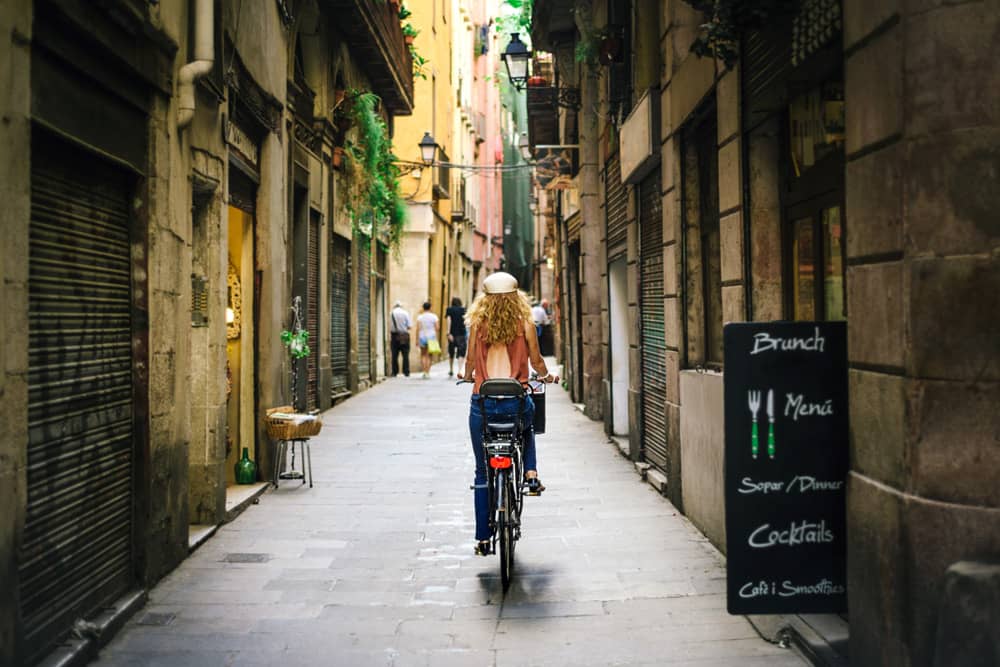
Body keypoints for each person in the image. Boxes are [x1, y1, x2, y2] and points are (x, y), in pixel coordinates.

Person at [459, 272, 559, 556]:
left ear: (485, 300)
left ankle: (482, 538)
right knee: (527, 424)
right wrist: (547, 375)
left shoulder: (478, 324)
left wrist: (467, 375)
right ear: (517, 298)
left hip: (483, 403)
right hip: (515, 400)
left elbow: (468, 361)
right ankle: (529, 472)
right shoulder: (525, 323)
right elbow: (537, 361)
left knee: (481, 472)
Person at [416, 301, 439, 379]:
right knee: (429, 355)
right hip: (431, 337)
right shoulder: (434, 317)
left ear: (423, 308)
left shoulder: (420, 317)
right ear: (430, 307)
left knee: (423, 355)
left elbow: (418, 329)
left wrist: (417, 340)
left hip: (422, 336)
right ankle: (428, 372)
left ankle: (424, 372)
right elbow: (437, 328)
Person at [445, 297, 467, 378]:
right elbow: (466, 321)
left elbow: (449, 320)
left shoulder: (449, 309)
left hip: (452, 334)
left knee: (451, 352)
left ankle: (451, 369)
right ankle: (460, 370)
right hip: (461, 334)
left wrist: (448, 333)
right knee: (461, 352)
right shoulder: (464, 310)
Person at [389, 300, 412, 377]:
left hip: (394, 336)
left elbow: (389, 325)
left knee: (394, 355)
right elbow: (409, 326)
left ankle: (395, 372)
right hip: (404, 336)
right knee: (405, 354)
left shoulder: (391, 313)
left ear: (394, 306)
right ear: (401, 306)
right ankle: (406, 371)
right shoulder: (405, 313)